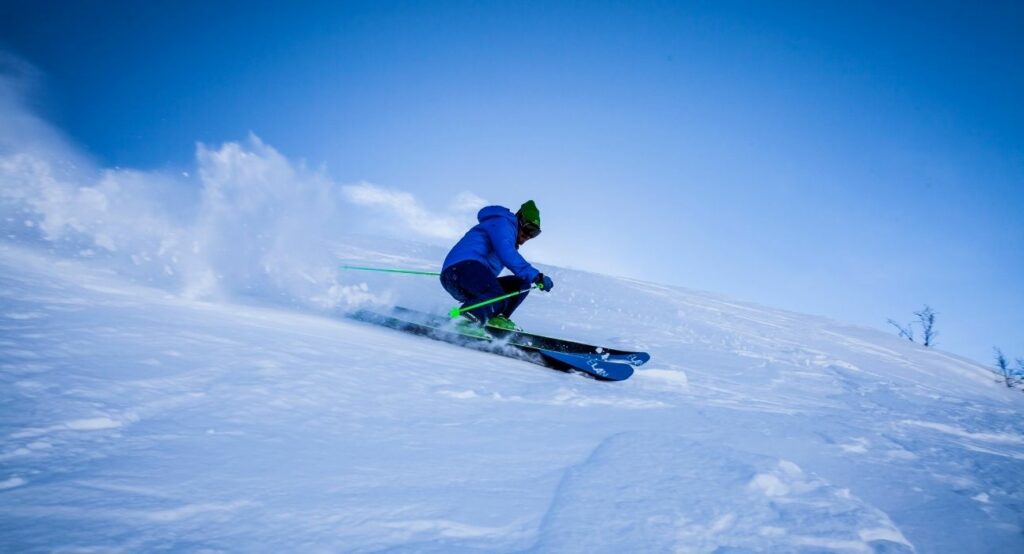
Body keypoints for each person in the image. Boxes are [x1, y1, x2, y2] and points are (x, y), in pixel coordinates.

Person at [440, 200, 554, 332]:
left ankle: (495, 317)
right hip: (459, 270)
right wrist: (536, 276)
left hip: (472, 278)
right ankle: (465, 320)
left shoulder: (510, 237)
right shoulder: (503, 223)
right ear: (519, 219)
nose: (526, 238)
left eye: (532, 235)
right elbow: (507, 253)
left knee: (520, 285)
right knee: (495, 293)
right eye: (527, 230)